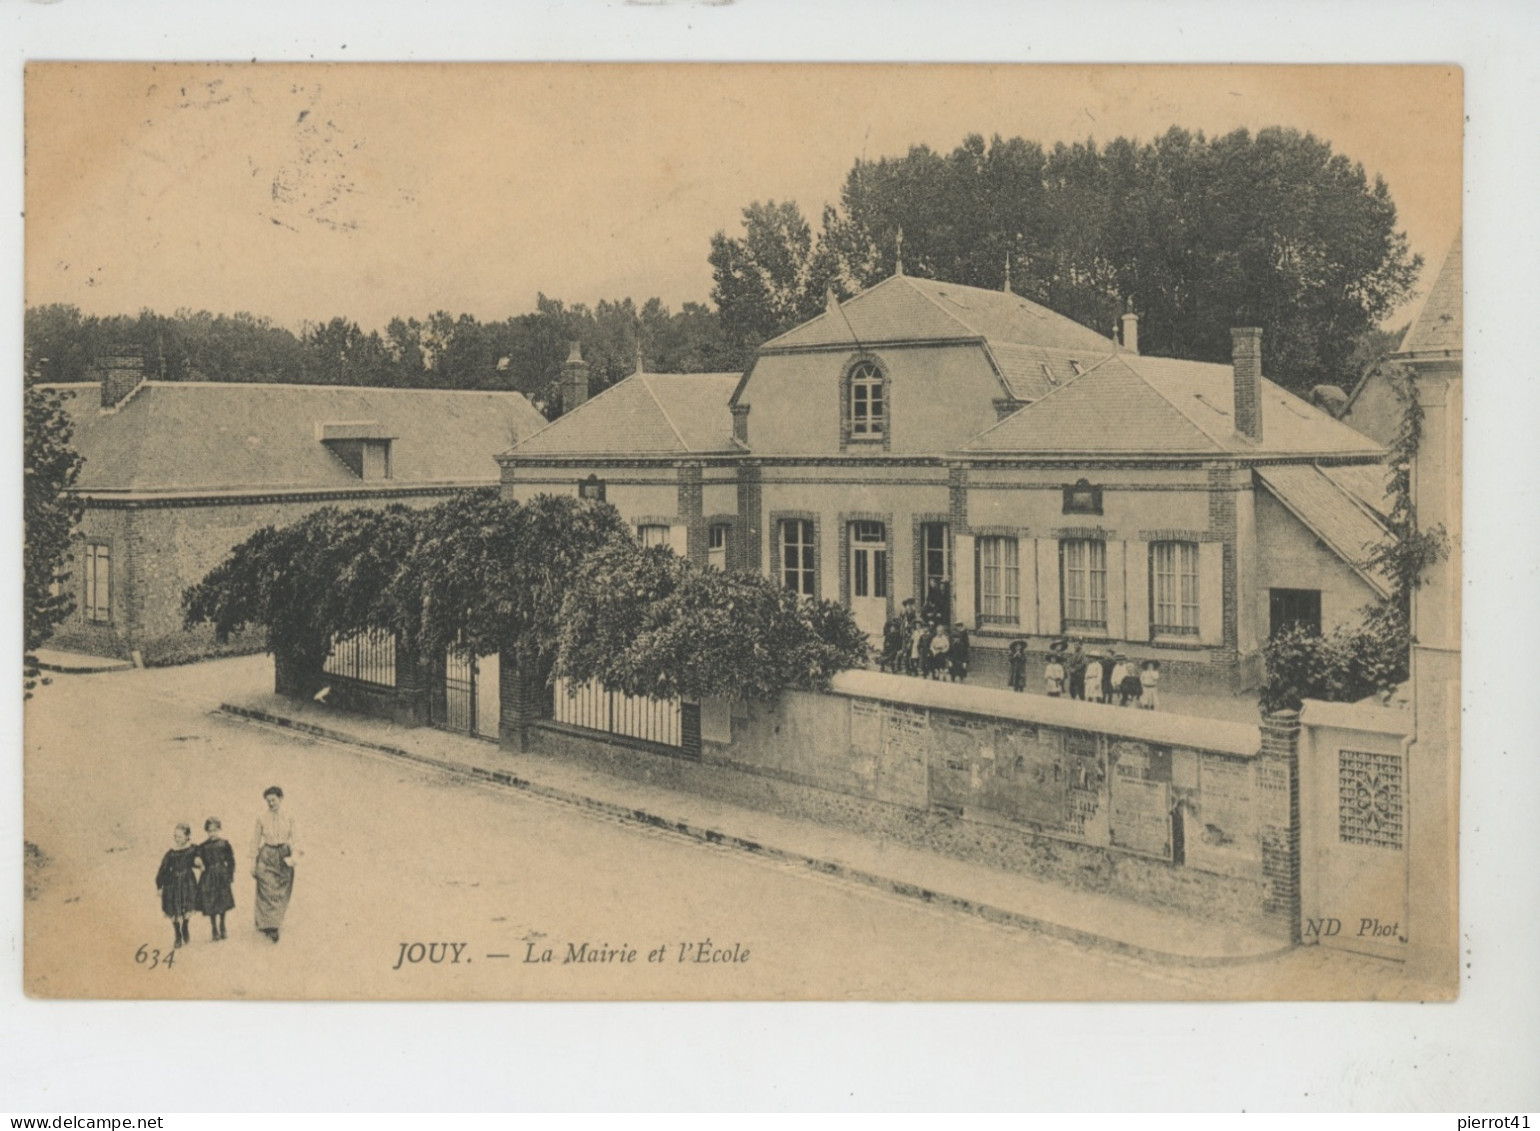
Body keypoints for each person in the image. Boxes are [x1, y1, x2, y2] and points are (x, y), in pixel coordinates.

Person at [251, 786, 298, 943]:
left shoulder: (289, 816)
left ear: (281, 799)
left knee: (281, 890)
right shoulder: (261, 817)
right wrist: (253, 863)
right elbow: (255, 840)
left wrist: (295, 857)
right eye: (268, 801)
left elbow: (297, 838)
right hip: (267, 854)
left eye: (274, 800)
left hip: (284, 854)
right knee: (267, 889)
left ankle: (274, 921)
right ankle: (270, 926)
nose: (271, 803)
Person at [155, 823, 201, 949]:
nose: (177, 839)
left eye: (180, 836)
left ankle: (185, 926)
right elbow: (163, 869)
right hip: (173, 884)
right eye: (175, 836)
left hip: (188, 882)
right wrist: (160, 885)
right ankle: (177, 935)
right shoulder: (171, 853)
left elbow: (199, 857)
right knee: (174, 910)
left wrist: (198, 861)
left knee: (187, 907)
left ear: (187, 837)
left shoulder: (193, 849)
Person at [197, 817, 236, 942]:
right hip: (208, 875)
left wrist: (230, 875)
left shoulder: (224, 844)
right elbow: (198, 858)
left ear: (219, 829)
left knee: (222, 901)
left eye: (215, 830)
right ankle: (214, 928)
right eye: (209, 831)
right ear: (206, 831)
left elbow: (231, 861)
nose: (212, 833)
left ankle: (222, 925)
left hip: (221, 875)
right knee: (211, 901)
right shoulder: (203, 846)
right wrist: (198, 861)